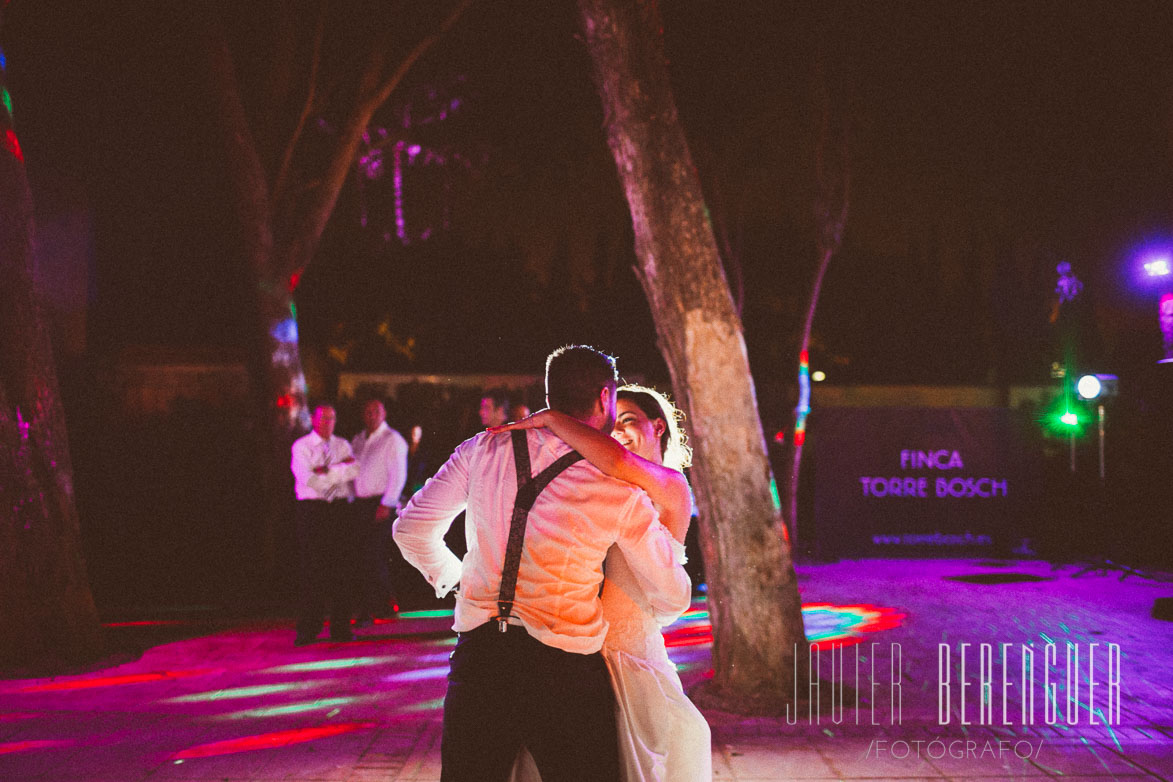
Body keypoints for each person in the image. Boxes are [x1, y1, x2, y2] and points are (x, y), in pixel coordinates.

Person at [393, 346, 691, 782]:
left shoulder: (483, 448)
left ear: (549, 395)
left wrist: (459, 580)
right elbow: (672, 593)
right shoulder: (615, 483)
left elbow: (411, 530)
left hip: (480, 660)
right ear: (606, 397)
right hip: (563, 670)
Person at [493, 385, 712, 782]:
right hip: (578, 648)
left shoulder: (669, 484)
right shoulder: (601, 483)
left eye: (629, 421)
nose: (620, 433)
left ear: (658, 426)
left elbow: (617, 460)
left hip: (632, 651)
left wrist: (552, 418)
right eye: (613, 425)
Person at [290, 404, 360, 646]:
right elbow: (306, 478)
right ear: (313, 419)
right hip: (313, 510)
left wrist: (326, 471)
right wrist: (336, 475)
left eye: (332, 418)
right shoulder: (302, 446)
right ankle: (308, 628)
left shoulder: (342, 445)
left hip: (339, 510)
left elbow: (354, 469)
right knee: (313, 570)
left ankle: (341, 627)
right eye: (323, 418)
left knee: (341, 569)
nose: (328, 423)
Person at [350, 399, 409, 626]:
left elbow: (398, 474)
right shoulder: (359, 440)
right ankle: (379, 603)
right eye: (367, 411)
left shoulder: (392, 440)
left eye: (376, 411)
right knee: (363, 556)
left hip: (381, 503)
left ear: (384, 413)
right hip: (360, 504)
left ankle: (377, 605)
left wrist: (387, 502)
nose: (371, 415)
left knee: (372, 555)